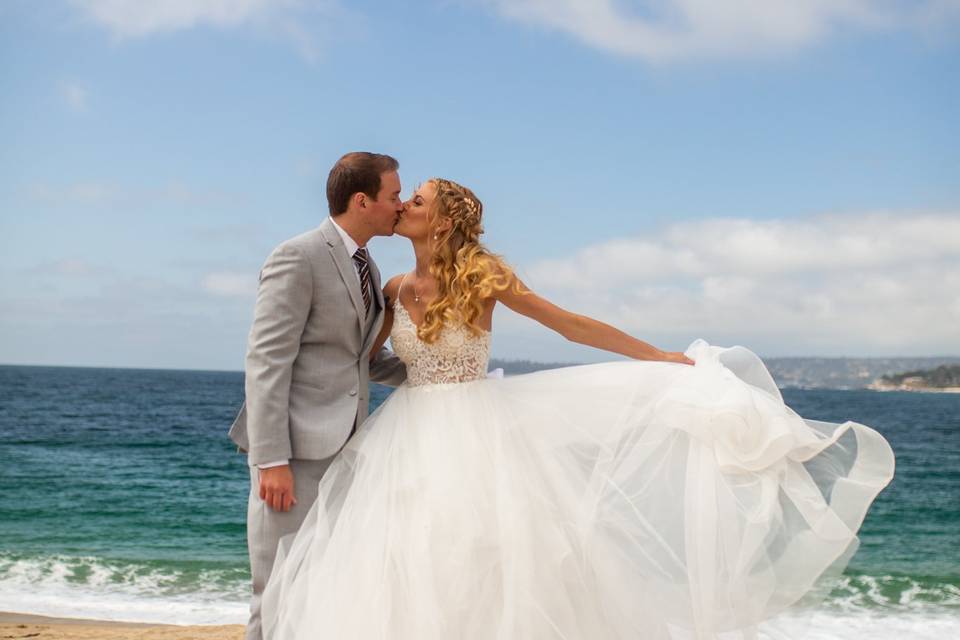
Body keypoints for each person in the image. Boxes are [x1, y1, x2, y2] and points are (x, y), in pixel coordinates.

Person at [259, 178, 895, 639]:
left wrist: (654, 355)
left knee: (486, 556)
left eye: (417, 200)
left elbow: (569, 326)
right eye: (403, 197)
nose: (404, 206)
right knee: (399, 559)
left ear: (444, 220)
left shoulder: (485, 277)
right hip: (405, 432)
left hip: (474, 433)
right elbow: (364, 361)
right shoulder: (394, 287)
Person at [228, 152, 408, 640]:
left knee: (320, 590)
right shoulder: (298, 255)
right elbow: (267, 361)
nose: (401, 204)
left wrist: (439, 375)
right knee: (278, 593)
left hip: (346, 454)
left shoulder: (368, 267)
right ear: (362, 199)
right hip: (294, 457)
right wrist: (271, 459)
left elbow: (362, 359)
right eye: (394, 195)